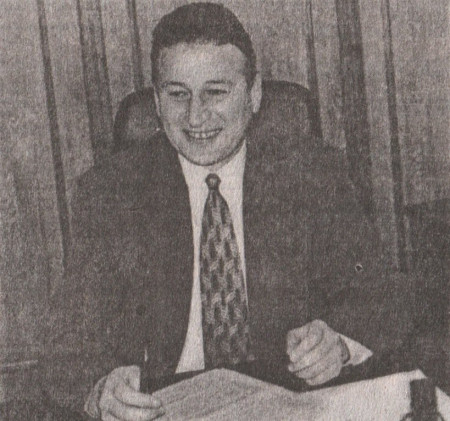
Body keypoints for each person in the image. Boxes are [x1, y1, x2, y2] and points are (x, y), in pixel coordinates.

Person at [43, 3, 414, 420]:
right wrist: (100, 390)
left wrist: (340, 343)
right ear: (157, 101)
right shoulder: (112, 193)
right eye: (177, 94)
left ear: (253, 95)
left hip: (288, 404)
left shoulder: (312, 174)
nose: (195, 116)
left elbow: (383, 296)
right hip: (163, 408)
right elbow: (65, 346)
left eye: (215, 92)